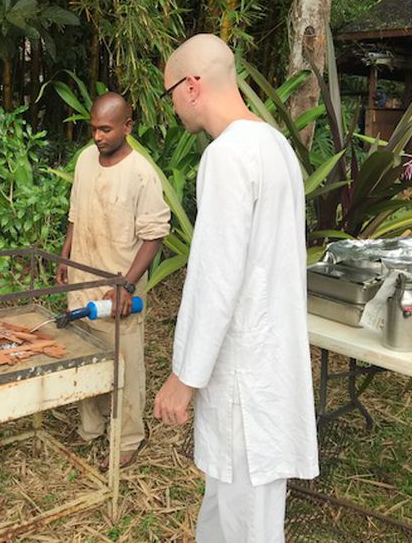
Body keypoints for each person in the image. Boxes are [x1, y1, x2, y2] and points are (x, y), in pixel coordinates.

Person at [153, 34, 319, 542]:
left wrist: (185, 376)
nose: (172, 106)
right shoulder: (275, 145)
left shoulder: (227, 156)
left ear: (192, 87)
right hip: (268, 358)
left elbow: (216, 276)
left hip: (244, 372)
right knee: (228, 502)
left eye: (169, 93)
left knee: (247, 517)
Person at [57, 92, 170, 468]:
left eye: (105, 129)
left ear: (127, 127)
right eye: (93, 129)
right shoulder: (85, 160)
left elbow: (154, 235)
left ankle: (128, 439)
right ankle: (91, 427)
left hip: (117, 290)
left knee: (124, 365)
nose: (97, 137)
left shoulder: (141, 175)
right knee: (85, 356)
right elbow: (76, 211)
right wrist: (66, 254)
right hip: (81, 280)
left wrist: (127, 284)